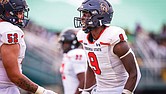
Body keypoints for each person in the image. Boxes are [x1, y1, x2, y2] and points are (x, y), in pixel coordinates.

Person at [74, 0, 141, 94]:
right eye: (83, 14)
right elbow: (91, 65)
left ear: (99, 16)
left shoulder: (115, 41)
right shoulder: (84, 37)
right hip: (100, 89)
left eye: (86, 15)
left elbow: (134, 73)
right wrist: (86, 91)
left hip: (119, 89)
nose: (82, 18)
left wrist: (125, 92)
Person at [0, 0, 57, 94]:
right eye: (19, 12)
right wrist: (41, 91)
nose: (22, 16)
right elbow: (14, 76)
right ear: (7, 12)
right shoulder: (9, 31)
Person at [59, 28, 88, 94]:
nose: (63, 45)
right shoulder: (69, 55)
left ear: (73, 42)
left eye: (65, 43)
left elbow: (84, 80)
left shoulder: (75, 53)